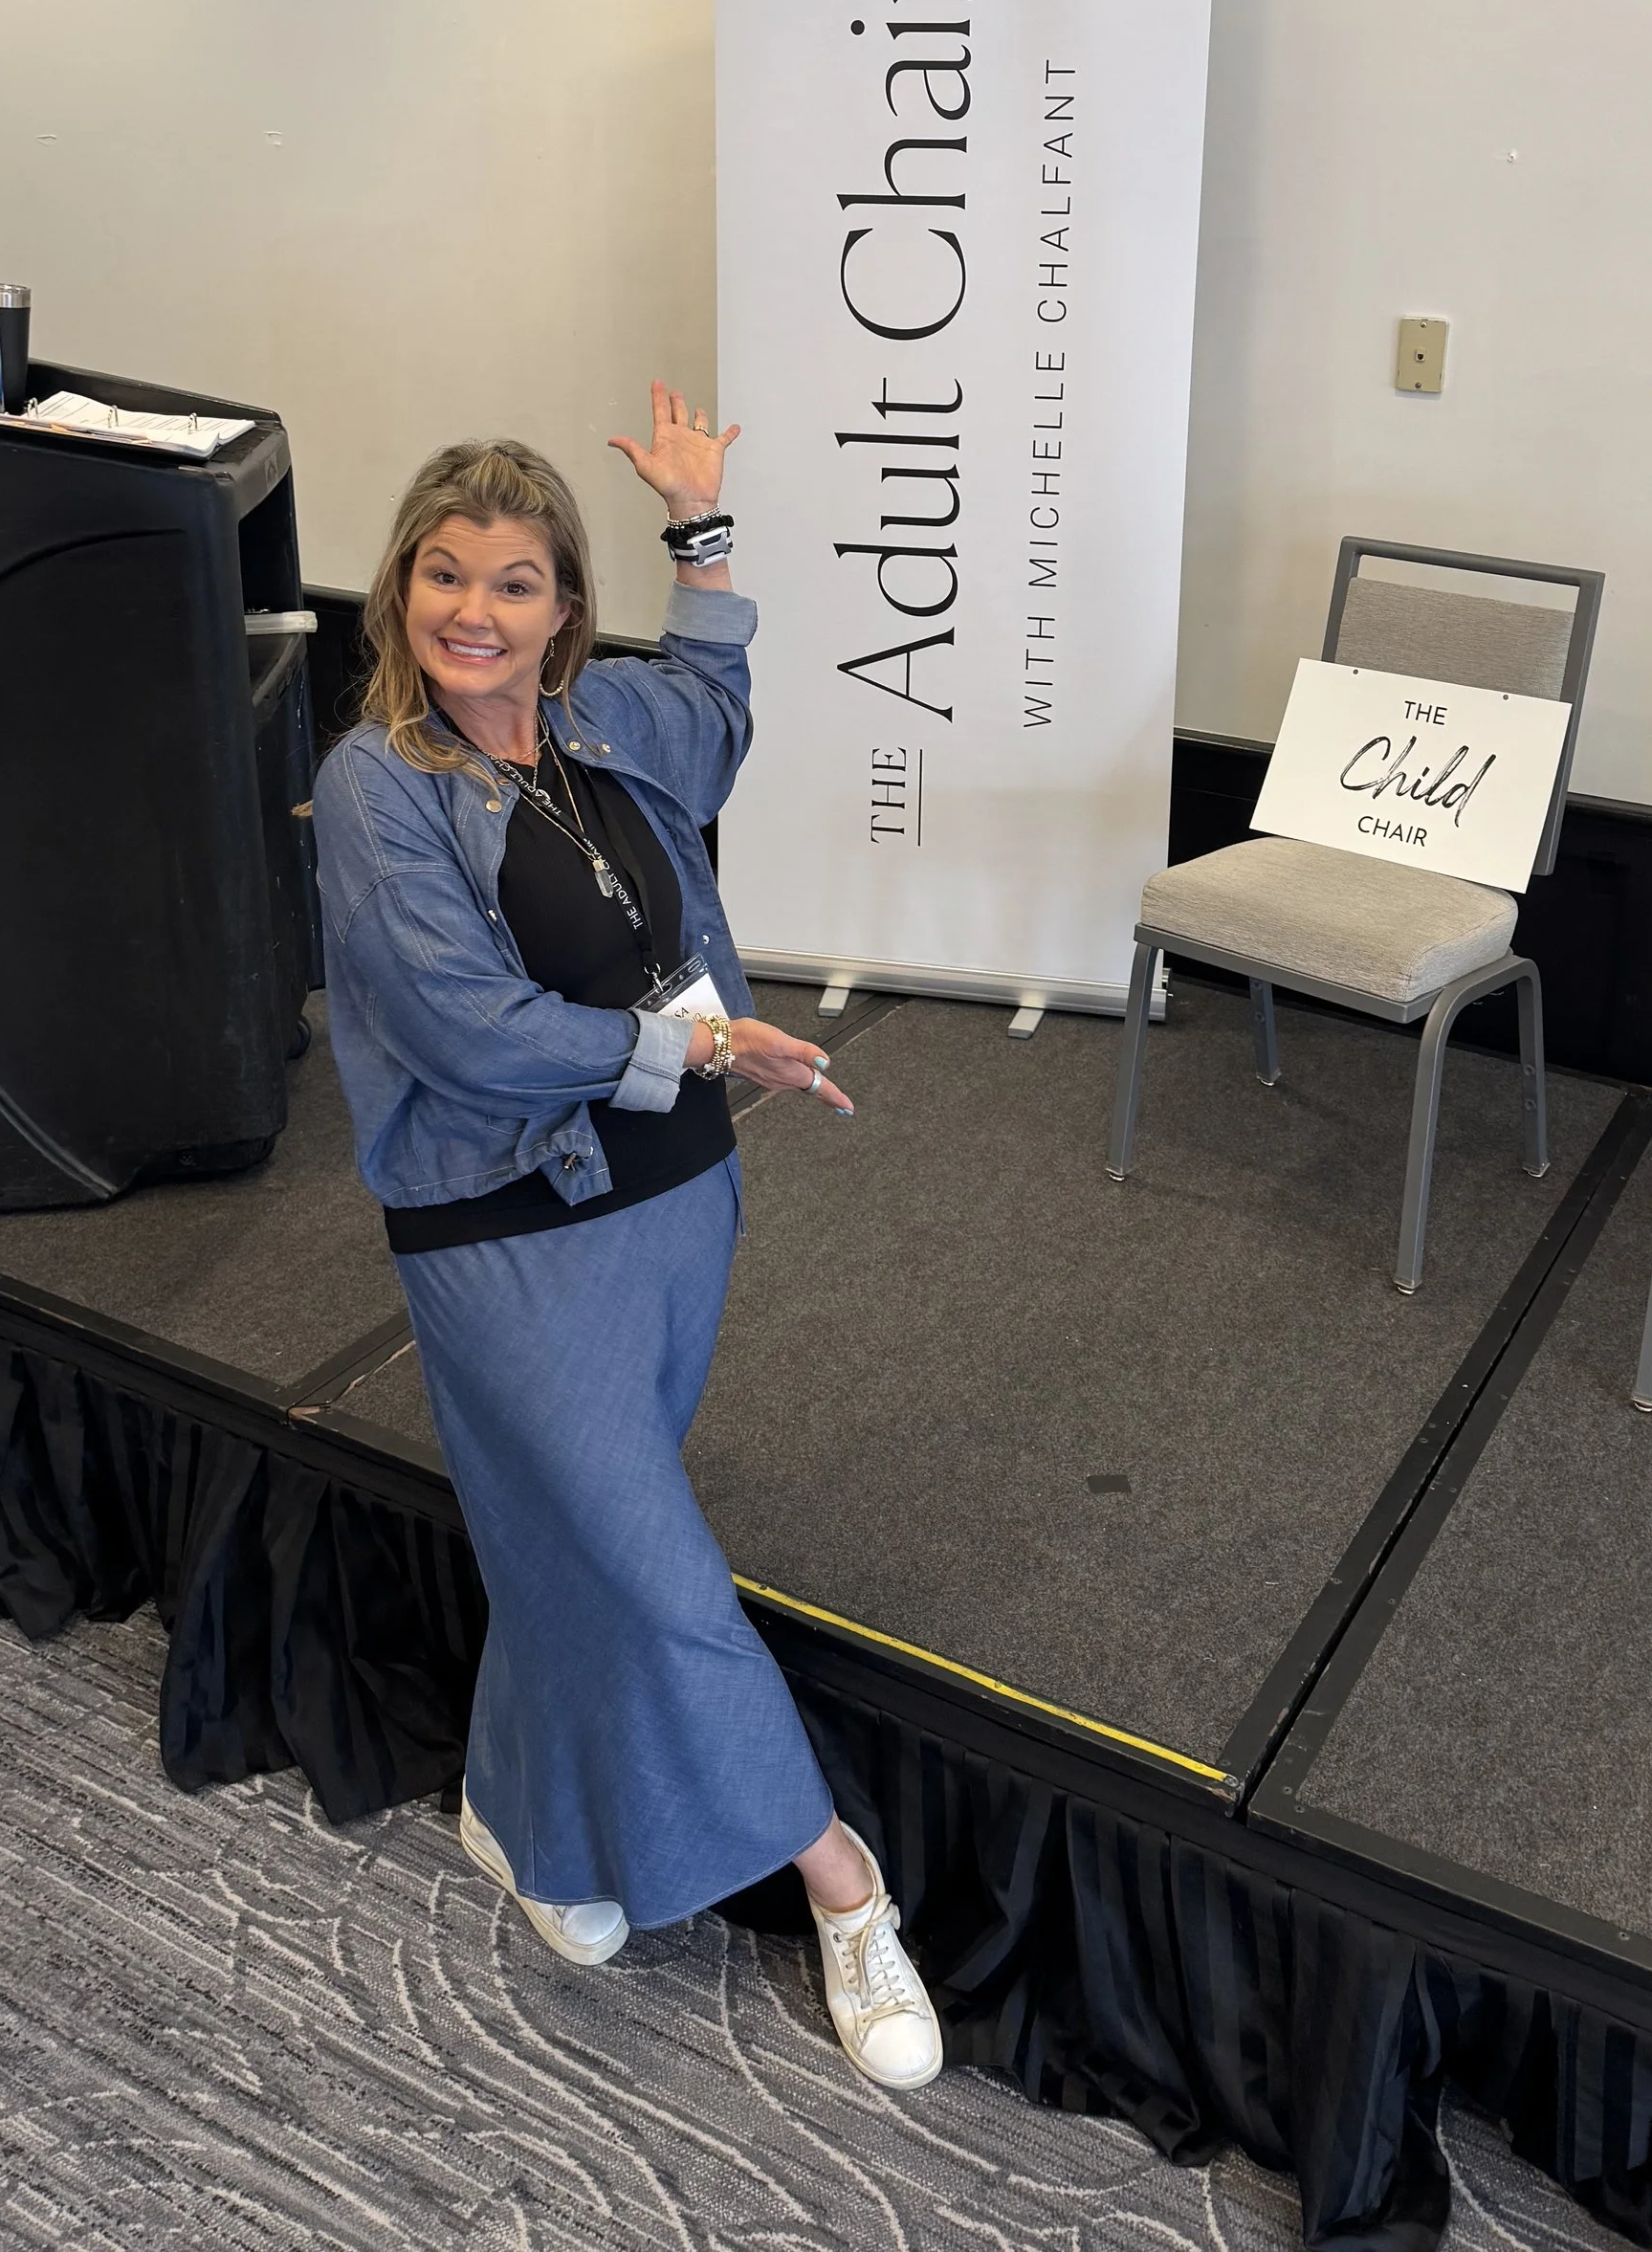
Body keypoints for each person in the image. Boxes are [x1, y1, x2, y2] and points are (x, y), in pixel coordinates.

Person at [310, 381, 941, 2091]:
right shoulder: (378, 785)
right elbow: (460, 1027)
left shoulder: (603, 727)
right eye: (443, 575)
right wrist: (701, 1044)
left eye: (513, 582)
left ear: (563, 612)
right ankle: (843, 1884)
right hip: (502, 1223)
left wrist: (705, 529)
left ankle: (519, 1812)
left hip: (673, 1197)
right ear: (398, 593)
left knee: (577, 1531)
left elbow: (719, 702)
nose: (472, 612)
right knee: (653, 1568)